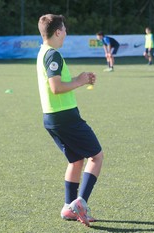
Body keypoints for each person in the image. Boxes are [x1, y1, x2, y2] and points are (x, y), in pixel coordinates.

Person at [37, 14, 104, 226]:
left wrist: (79, 80)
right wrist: (79, 80)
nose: (66, 33)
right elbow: (56, 87)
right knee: (96, 156)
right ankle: (81, 202)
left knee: (76, 160)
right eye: (64, 29)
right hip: (65, 117)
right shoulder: (53, 55)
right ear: (57, 32)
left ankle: (69, 207)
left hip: (52, 117)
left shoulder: (43, 52)